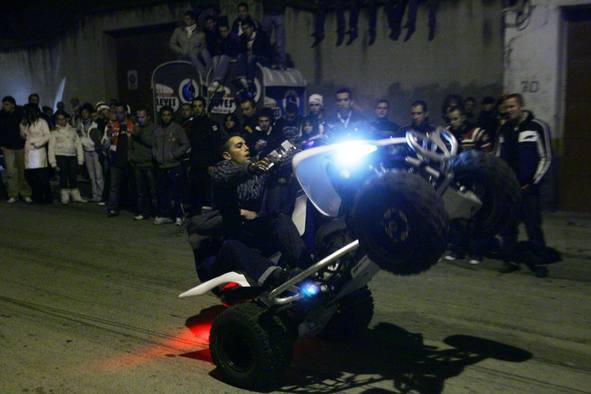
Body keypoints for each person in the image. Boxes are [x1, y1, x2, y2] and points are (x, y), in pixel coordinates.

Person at [203, 135, 311, 287]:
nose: (246, 148)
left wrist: (300, 145)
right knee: (232, 246)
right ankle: (276, 276)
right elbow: (223, 174)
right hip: (227, 236)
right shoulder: (223, 168)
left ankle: (306, 265)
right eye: (239, 146)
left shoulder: (257, 166)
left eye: (246, 144)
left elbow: (281, 158)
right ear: (227, 155)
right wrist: (250, 168)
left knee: (279, 219)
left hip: (250, 230)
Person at [496, 94, 551, 278]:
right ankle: (510, 260)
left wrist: (533, 182)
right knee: (508, 226)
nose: (509, 110)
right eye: (507, 107)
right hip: (509, 189)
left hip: (529, 189)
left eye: (512, 106)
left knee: (533, 226)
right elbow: (497, 159)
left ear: (521, 107)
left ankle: (539, 262)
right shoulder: (504, 129)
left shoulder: (537, 127)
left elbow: (546, 157)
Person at [443, 105, 492, 265]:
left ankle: (476, 252)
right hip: (456, 180)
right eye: (451, 119)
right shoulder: (447, 133)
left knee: (475, 217)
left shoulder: (477, 133)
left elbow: (488, 157)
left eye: (456, 118)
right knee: (456, 216)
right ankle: (457, 250)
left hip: (475, 181)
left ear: (463, 117)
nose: (453, 122)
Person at [152, 106, 190, 225]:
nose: (166, 117)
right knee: (162, 192)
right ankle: (165, 215)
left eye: (168, 115)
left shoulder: (177, 128)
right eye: (164, 115)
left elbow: (186, 144)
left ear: (171, 116)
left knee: (176, 192)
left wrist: (174, 155)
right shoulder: (157, 130)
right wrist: (156, 156)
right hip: (161, 166)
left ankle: (179, 215)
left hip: (174, 165)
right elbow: (154, 146)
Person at [189, 96, 225, 216]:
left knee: (208, 194)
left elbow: (216, 146)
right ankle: (196, 218)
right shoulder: (191, 124)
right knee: (195, 193)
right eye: (195, 106)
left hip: (207, 166)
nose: (197, 109)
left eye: (200, 106)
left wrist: (212, 164)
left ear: (204, 107)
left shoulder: (211, 124)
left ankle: (209, 220)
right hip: (195, 165)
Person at [49, 111, 86, 204]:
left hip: (72, 156)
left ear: (66, 119)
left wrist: (80, 160)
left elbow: (78, 145)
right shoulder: (54, 132)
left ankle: (75, 194)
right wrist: (52, 162)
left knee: (73, 175)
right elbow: (51, 147)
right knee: (63, 176)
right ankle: (64, 194)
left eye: (63, 119)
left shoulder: (73, 131)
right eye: (59, 119)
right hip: (60, 156)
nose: (61, 121)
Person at [104, 103, 134, 217]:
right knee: (114, 186)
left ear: (125, 113)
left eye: (120, 112)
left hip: (128, 159)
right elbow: (108, 141)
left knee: (131, 185)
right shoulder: (113, 126)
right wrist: (109, 136)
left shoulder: (131, 125)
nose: (118, 115)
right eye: (116, 112)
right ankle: (113, 208)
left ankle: (132, 206)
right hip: (115, 160)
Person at [0, 96, 32, 203]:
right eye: (4, 104)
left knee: (22, 171)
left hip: (20, 146)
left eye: (7, 104)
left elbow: (25, 128)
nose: (4, 106)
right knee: (10, 171)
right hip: (7, 147)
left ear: (13, 104)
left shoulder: (21, 114)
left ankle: (25, 193)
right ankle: (13, 194)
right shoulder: (1, 115)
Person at [19, 104, 50, 204]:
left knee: (40, 175)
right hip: (29, 150)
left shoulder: (42, 122)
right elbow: (24, 137)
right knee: (31, 175)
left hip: (38, 150)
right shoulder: (27, 122)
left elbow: (48, 135)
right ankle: (37, 196)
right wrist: (22, 127)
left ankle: (45, 196)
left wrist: (38, 143)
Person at [129, 108, 156, 220]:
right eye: (138, 117)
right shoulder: (135, 128)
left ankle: (156, 212)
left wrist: (139, 134)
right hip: (138, 164)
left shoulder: (153, 128)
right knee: (140, 191)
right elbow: (130, 146)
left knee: (153, 191)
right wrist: (131, 157)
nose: (140, 119)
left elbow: (152, 142)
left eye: (142, 117)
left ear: (148, 117)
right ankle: (142, 212)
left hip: (149, 163)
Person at [169, 10, 212, 76]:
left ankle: (210, 72)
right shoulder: (178, 31)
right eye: (185, 19)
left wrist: (198, 50)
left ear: (193, 20)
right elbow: (172, 43)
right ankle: (205, 75)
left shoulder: (200, 33)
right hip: (184, 55)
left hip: (196, 56)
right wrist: (180, 51)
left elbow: (203, 46)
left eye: (188, 19)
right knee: (190, 54)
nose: (185, 21)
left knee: (204, 51)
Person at [77, 103, 104, 203]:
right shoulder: (80, 124)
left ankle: (101, 195)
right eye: (83, 113)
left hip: (95, 151)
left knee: (99, 175)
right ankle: (95, 195)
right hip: (86, 151)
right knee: (91, 175)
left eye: (86, 112)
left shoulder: (95, 123)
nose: (84, 114)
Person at [236, 19, 272, 92]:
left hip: (263, 58)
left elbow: (265, 51)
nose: (245, 31)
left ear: (252, 28)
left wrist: (252, 48)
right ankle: (242, 78)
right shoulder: (243, 38)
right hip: (250, 58)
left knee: (252, 58)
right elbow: (240, 50)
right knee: (240, 56)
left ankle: (250, 81)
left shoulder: (261, 36)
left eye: (247, 28)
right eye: (243, 29)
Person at [208, 16, 240, 93]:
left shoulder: (234, 37)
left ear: (228, 30)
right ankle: (217, 84)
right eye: (221, 31)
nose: (223, 33)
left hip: (234, 56)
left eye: (225, 31)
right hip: (224, 56)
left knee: (224, 57)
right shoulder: (220, 38)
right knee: (215, 58)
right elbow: (218, 50)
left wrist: (224, 53)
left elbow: (236, 51)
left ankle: (217, 81)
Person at [261, 0, 287, 69]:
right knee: (265, 40)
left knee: (278, 42)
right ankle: (278, 62)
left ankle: (281, 63)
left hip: (273, 12)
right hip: (271, 12)